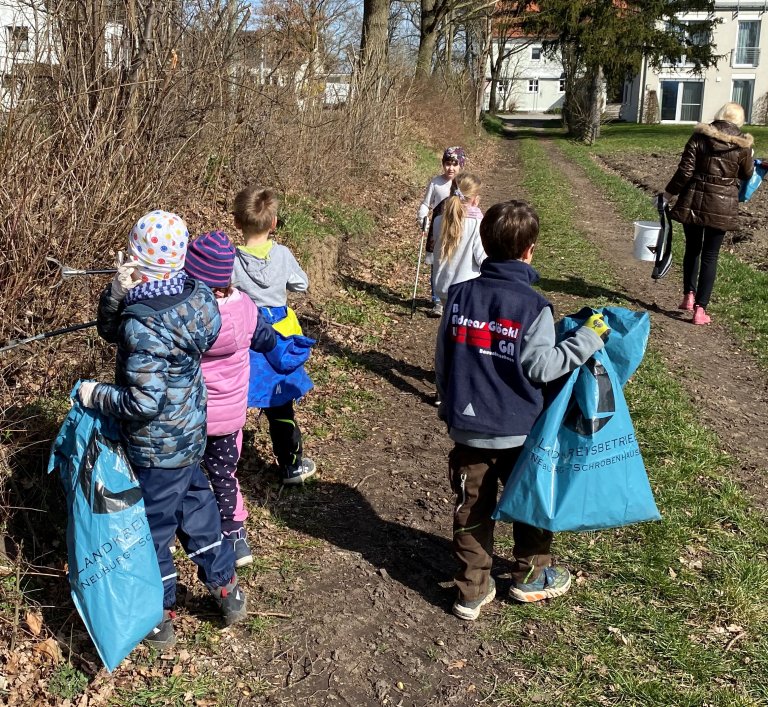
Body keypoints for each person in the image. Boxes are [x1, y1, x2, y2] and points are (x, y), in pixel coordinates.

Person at [76, 210, 247, 649]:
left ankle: (159, 612)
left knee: (153, 530)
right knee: (198, 511)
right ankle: (225, 587)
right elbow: (113, 330)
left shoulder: (143, 324)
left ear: (139, 259)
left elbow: (142, 402)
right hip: (190, 434)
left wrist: (97, 395)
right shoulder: (198, 297)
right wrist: (117, 292)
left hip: (156, 449)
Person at [435, 200, 609, 621]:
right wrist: (588, 338)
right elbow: (541, 367)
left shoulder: (458, 296)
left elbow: (443, 358)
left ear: (484, 243)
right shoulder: (534, 307)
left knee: (471, 506)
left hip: (468, 429)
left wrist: (449, 402)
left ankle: (472, 589)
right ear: (530, 250)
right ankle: (532, 574)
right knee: (530, 499)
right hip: (519, 431)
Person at [183, 230, 280, 568]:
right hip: (230, 417)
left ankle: (185, 536)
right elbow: (266, 341)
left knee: (189, 477)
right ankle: (236, 537)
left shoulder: (188, 315)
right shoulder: (244, 308)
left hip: (191, 417)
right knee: (225, 474)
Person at [231, 186, 316, 485]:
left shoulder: (231, 259)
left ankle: (227, 466)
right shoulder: (282, 254)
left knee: (236, 398)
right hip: (278, 337)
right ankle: (291, 465)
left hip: (246, 333)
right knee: (280, 403)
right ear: (274, 223)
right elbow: (300, 283)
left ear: (237, 223)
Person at [662, 102, 754, 325]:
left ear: (719, 115)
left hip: (694, 200)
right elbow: (747, 175)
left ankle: (688, 296)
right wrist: (750, 156)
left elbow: (685, 171)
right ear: (739, 120)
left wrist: (668, 194)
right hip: (722, 208)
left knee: (692, 249)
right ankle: (700, 310)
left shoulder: (699, 137)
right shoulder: (743, 146)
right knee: (710, 256)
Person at [418, 146, 466, 317]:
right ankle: (437, 300)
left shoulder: (463, 184)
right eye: (447, 163)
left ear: (461, 165)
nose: (450, 168)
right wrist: (423, 216)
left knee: (455, 262)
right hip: (438, 230)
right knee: (437, 265)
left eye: (454, 164)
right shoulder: (436, 183)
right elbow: (426, 204)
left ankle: (454, 297)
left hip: (458, 229)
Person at [431, 172, 485, 305]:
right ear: (475, 200)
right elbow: (482, 258)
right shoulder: (477, 224)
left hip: (442, 285)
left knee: (448, 320)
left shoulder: (438, 221)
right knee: (461, 324)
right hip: (466, 289)